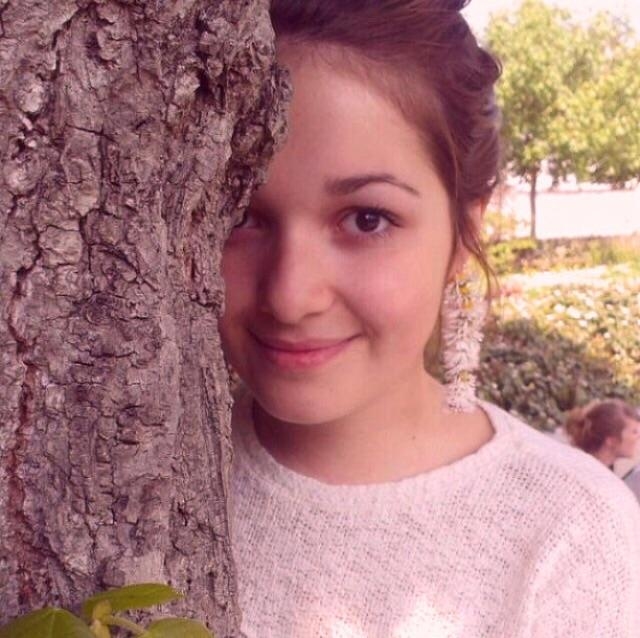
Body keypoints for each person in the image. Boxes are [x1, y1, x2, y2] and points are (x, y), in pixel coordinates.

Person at [219, 1, 640, 635]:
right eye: (240, 216)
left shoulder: (570, 534)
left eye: (367, 219)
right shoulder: (129, 479)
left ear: (464, 232)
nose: (290, 295)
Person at [565, 399, 640, 502]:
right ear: (611, 440)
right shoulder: (590, 480)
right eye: (634, 432)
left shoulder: (592, 467)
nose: (638, 437)